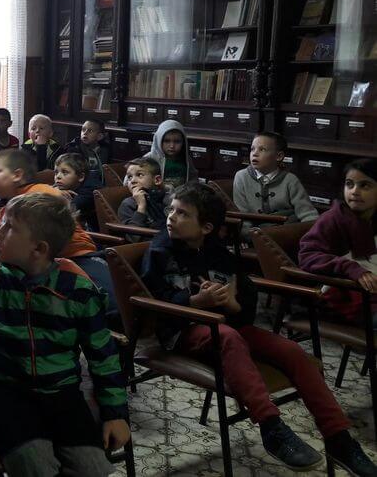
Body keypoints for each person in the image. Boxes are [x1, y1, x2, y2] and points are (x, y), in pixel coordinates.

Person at [142, 183, 376, 474]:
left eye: (182, 213)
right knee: (228, 337)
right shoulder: (159, 251)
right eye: (172, 210)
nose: (171, 217)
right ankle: (270, 426)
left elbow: (243, 307)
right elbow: (153, 302)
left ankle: (338, 438)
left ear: (206, 227)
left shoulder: (219, 254)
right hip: (183, 330)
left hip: (227, 326)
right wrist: (194, 301)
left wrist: (232, 304)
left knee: (291, 351)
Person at [0, 193, 130, 477]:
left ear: (39, 248)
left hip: (62, 393)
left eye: (9, 226)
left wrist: (115, 413)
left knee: (93, 469)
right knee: (37, 468)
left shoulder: (78, 289)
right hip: (5, 393)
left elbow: (102, 355)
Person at [0, 149, 118, 316]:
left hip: (77, 256)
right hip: (43, 267)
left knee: (109, 308)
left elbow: (51, 234)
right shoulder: (3, 213)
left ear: (17, 175)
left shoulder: (40, 192)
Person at [299, 158, 377, 326]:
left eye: (365, 185)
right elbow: (307, 256)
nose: (354, 191)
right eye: (349, 184)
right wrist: (351, 268)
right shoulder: (333, 219)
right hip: (344, 296)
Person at [233, 131, 318, 238]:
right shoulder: (241, 177)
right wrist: (248, 237)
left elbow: (307, 214)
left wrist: (311, 236)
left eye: (262, 149)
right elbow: (242, 214)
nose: (254, 153)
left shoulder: (290, 179)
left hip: (286, 231)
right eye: (252, 149)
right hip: (256, 234)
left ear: (279, 156)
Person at [63, 119, 110, 229]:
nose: (85, 133)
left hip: (98, 186)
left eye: (90, 131)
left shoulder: (105, 149)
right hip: (80, 186)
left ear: (99, 136)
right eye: (83, 130)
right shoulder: (73, 148)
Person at [118, 158, 172, 242]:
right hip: (150, 245)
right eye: (129, 177)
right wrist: (141, 207)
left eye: (139, 175)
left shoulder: (166, 197)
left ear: (157, 180)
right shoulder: (128, 204)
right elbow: (133, 238)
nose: (132, 181)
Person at [136, 120, 197, 189]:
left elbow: (193, 178)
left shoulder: (185, 158)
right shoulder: (149, 158)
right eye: (167, 141)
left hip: (182, 194)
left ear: (183, 142)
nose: (172, 146)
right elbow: (133, 177)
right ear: (159, 140)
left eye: (177, 141)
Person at [53, 153, 91, 228]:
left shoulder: (89, 191)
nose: (58, 176)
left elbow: (62, 212)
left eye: (65, 172)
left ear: (81, 177)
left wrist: (55, 194)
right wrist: (54, 192)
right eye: (56, 172)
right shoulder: (60, 187)